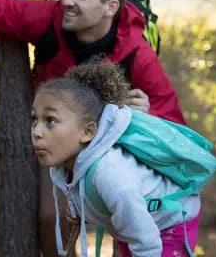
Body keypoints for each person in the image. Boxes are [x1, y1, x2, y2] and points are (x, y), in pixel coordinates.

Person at [0, 0, 185, 256]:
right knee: (51, 219)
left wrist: (146, 116)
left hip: (112, 158)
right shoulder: (48, 20)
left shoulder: (137, 53)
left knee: (125, 228)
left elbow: (175, 128)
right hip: (59, 147)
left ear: (110, 7)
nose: (66, 0)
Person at [31, 60, 202, 257]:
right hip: (136, 223)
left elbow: (146, 241)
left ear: (87, 132)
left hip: (170, 221)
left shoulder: (110, 174)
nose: (37, 132)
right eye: (34, 120)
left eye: (50, 121)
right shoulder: (64, 166)